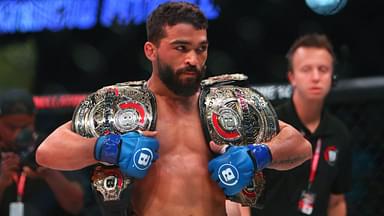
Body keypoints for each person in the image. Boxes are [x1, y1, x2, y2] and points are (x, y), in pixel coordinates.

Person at [36, 2, 312, 215]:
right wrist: (107, 147)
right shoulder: (122, 107)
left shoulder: (226, 107)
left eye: (200, 48)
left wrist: (257, 156)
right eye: (181, 48)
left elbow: (299, 146)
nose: (193, 59)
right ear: (150, 50)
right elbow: (48, 152)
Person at [252, 33, 352, 216]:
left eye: (323, 69)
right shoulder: (269, 124)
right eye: (306, 69)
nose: (315, 77)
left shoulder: (339, 132)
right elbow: (242, 197)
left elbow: (336, 202)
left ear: (332, 76)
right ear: (292, 77)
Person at [0, 89, 85, 216]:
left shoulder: (51, 146)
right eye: (11, 127)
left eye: (24, 127)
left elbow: (76, 206)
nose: (17, 134)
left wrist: (50, 173)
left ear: (33, 119)